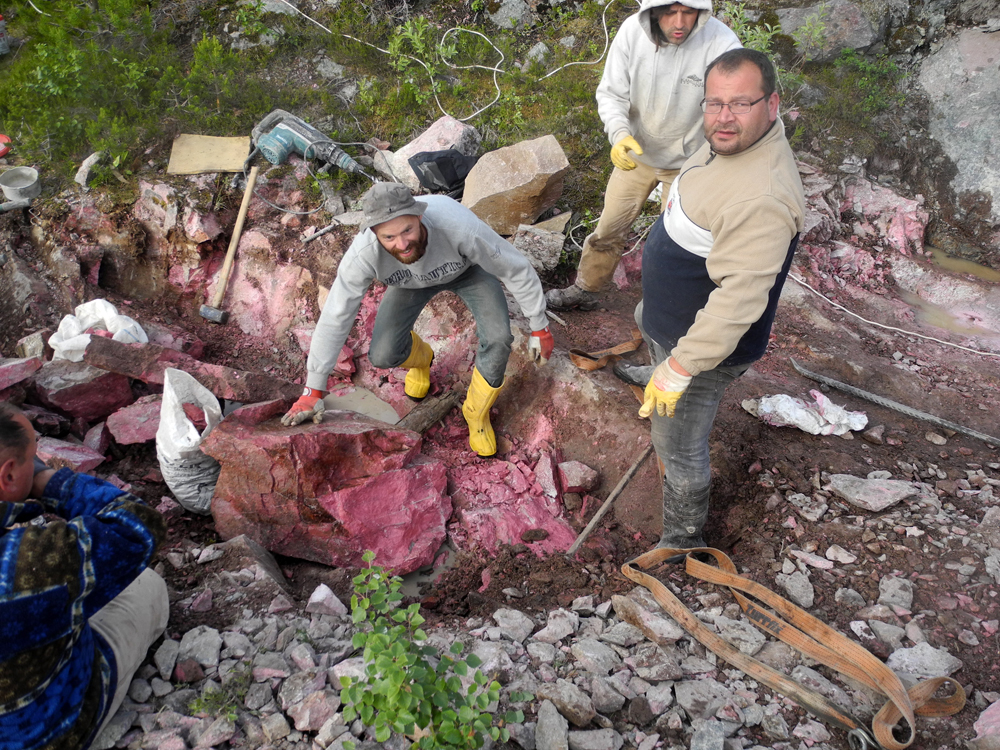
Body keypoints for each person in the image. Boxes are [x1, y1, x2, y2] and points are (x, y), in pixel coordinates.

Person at [615, 48, 805, 552]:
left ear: (772, 104)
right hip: (671, 318)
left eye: (740, 103)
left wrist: (681, 368)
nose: (723, 117)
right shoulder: (729, 143)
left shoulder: (760, 195)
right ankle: (651, 366)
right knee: (642, 316)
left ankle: (681, 540)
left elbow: (738, 301)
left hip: (702, 347)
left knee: (675, 446)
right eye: (714, 102)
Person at [281, 182, 554, 458]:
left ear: (419, 215)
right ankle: (422, 360)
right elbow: (335, 314)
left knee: (498, 338)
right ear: (373, 233)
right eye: (389, 238)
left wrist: (538, 324)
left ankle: (476, 414)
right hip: (408, 281)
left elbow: (514, 267)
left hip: (468, 271)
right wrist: (313, 389)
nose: (402, 244)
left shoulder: (457, 226)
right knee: (384, 354)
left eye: (408, 230)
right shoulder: (363, 254)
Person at [545, 0, 740, 311]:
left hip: (689, 165)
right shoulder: (631, 35)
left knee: (676, 247)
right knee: (608, 228)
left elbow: (730, 110)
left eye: (689, 12)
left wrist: (713, 160)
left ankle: (666, 312)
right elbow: (612, 93)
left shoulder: (722, 44)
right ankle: (586, 290)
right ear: (653, 10)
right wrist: (619, 135)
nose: (679, 22)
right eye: (670, 11)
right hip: (636, 153)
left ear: (702, 12)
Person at [0, 402, 168, 750]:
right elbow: (140, 525)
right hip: (45, 735)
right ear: (9, 475)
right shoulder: (31, 559)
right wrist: (50, 482)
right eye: (33, 457)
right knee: (147, 583)